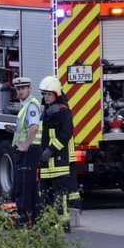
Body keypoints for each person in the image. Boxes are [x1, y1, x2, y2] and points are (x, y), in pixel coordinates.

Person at [37, 76, 80, 232]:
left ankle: (63, 224)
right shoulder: (47, 113)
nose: (46, 97)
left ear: (56, 94)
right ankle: (48, 223)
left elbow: (65, 134)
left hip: (59, 161)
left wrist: (51, 150)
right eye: (44, 94)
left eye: (49, 94)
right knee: (46, 194)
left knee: (60, 195)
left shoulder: (63, 112)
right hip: (47, 163)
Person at [6, 76, 43, 228]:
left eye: (23, 88)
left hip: (29, 151)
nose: (20, 91)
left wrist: (25, 146)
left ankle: (21, 223)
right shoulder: (26, 105)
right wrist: (13, 129)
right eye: (18, 89)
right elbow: (26, 127)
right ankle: (32, 222)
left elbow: (34, 128)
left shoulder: (32, 106)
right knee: (29, 189)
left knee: (23, 189)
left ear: (30, 89)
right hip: (28, 151)